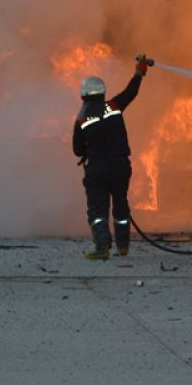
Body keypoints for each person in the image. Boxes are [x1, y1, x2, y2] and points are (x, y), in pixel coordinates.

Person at [73, 54, 149, 260]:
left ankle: (102, 247)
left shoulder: (81, 118)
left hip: (97, 169)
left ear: (84, 95)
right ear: (102, 93)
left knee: (98, 211)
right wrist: (139, 73)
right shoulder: (113, 106)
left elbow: (77, 150)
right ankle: (123, 248)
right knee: (120, 205)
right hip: (120, 166)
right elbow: (130, 93)